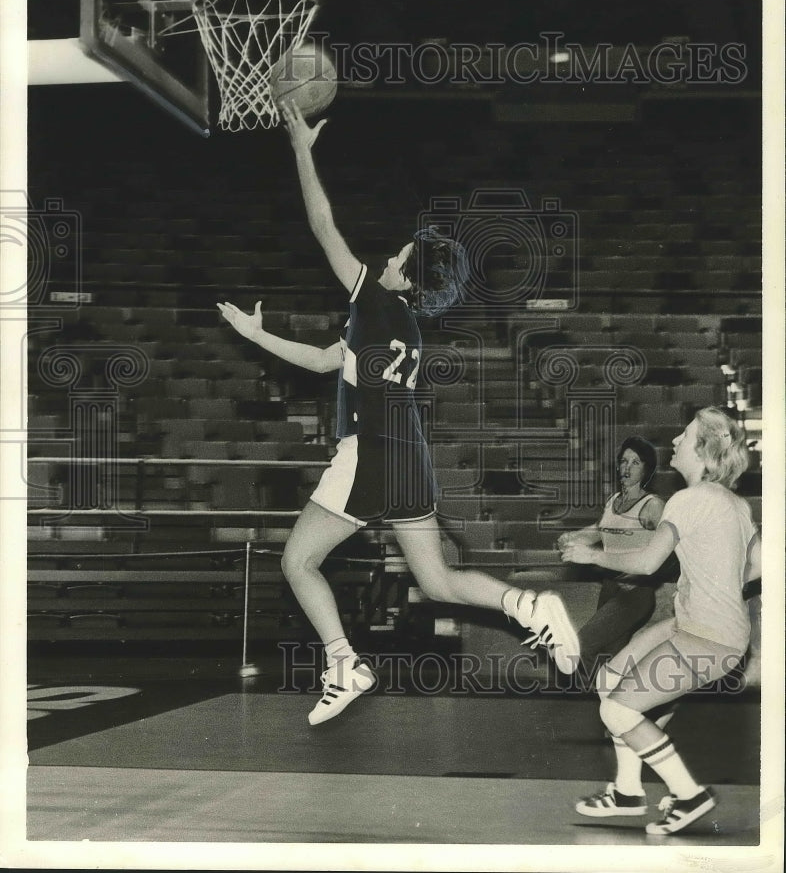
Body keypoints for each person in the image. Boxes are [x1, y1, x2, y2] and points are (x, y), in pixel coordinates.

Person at [218, 101, 580, 726]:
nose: (388, 256)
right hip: (410, 460)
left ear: (406, 276)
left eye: (399, 255)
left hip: (373, 455)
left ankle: (344, 664)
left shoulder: (378, 302)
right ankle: (531, 607)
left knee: (297, 561)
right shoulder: (400, 328)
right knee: (438, 582)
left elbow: (322, 226)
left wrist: (301, 146)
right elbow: (323, 361)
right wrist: (257, 336)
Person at [561, 407, 761, 836]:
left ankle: (688, 795)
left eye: (684, 436)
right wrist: (714, 583)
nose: (675, 441)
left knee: (617, 710)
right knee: (609, 681)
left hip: (708, 638)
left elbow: (649, 562)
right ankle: (628, 791)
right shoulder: (736, 505)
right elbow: (757, 565)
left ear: (704, 450)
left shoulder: (687, 500)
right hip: (696, 628)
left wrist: (591, 554)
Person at [556, 436, 669, 683]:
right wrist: (572, 537)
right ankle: (610, 711)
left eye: (636, 462)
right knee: (610, 662)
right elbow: (599, 531)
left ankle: (584, 708)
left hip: (635, 593)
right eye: (624, 461)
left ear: (646, 468)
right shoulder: (613, 501)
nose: (627, 468)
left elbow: (668, 549)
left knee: (581, 646)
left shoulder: (652, 506)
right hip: (610, 589)